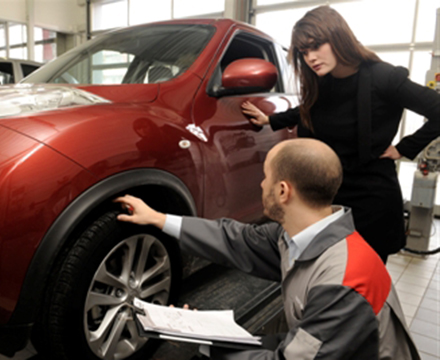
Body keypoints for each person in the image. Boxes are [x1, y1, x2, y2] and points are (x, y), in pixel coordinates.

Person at [115, 138, 419, 359]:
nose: (261, 185)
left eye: (266, 177)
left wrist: (202, 340)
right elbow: (234, 239)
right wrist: (158, 219)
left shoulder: (344, 281)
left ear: (283, 191)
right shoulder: (302, 234)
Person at [241, 6, 440, 263]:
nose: (311, 57)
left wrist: (404, 148)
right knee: (327, 273)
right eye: (304, 51)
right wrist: (270, 119)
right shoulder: (323, 82)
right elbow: (307, 111)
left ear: (338, 37)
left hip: (370, 199)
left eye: (316, 46)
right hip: (328, 197)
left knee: (363, 283)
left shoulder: (384, 77)